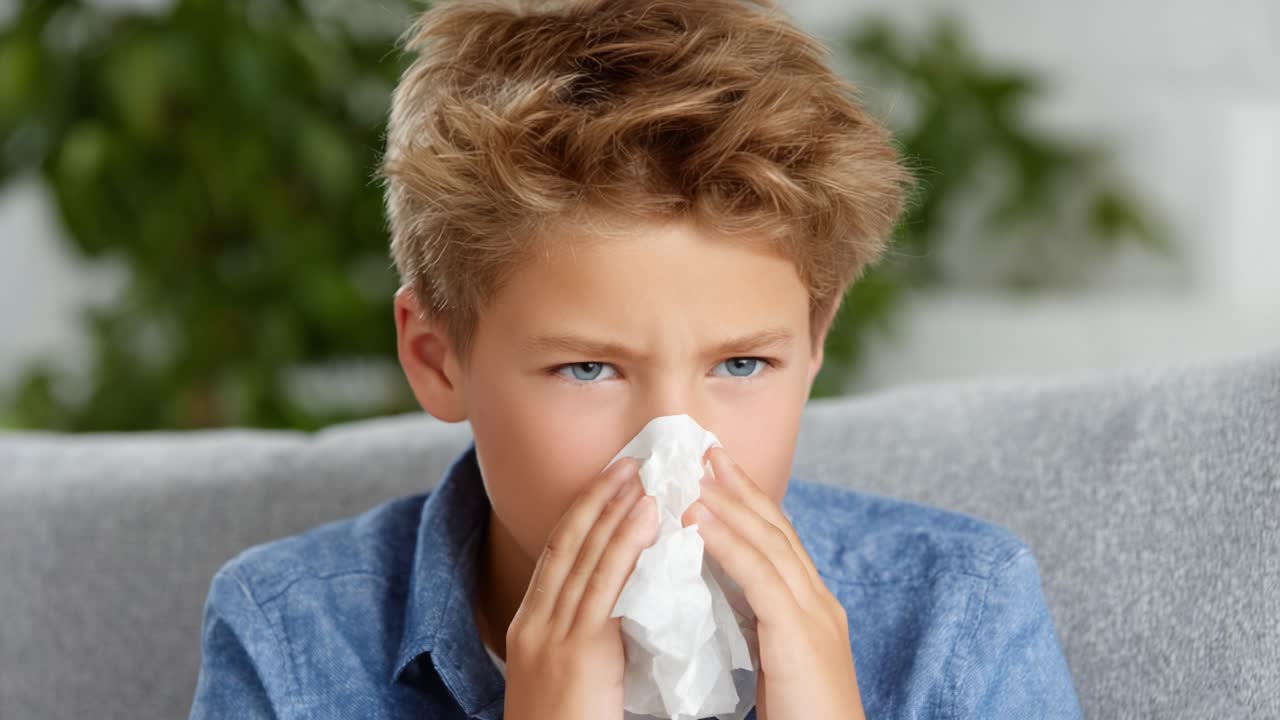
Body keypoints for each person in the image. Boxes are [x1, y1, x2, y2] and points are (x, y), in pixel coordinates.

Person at [189, 1, 1083, 718]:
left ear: (815, 344)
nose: (672, 455)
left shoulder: (959, 614)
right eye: (589, 370)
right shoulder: (293, 634)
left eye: (739, 367)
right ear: (437, 358)